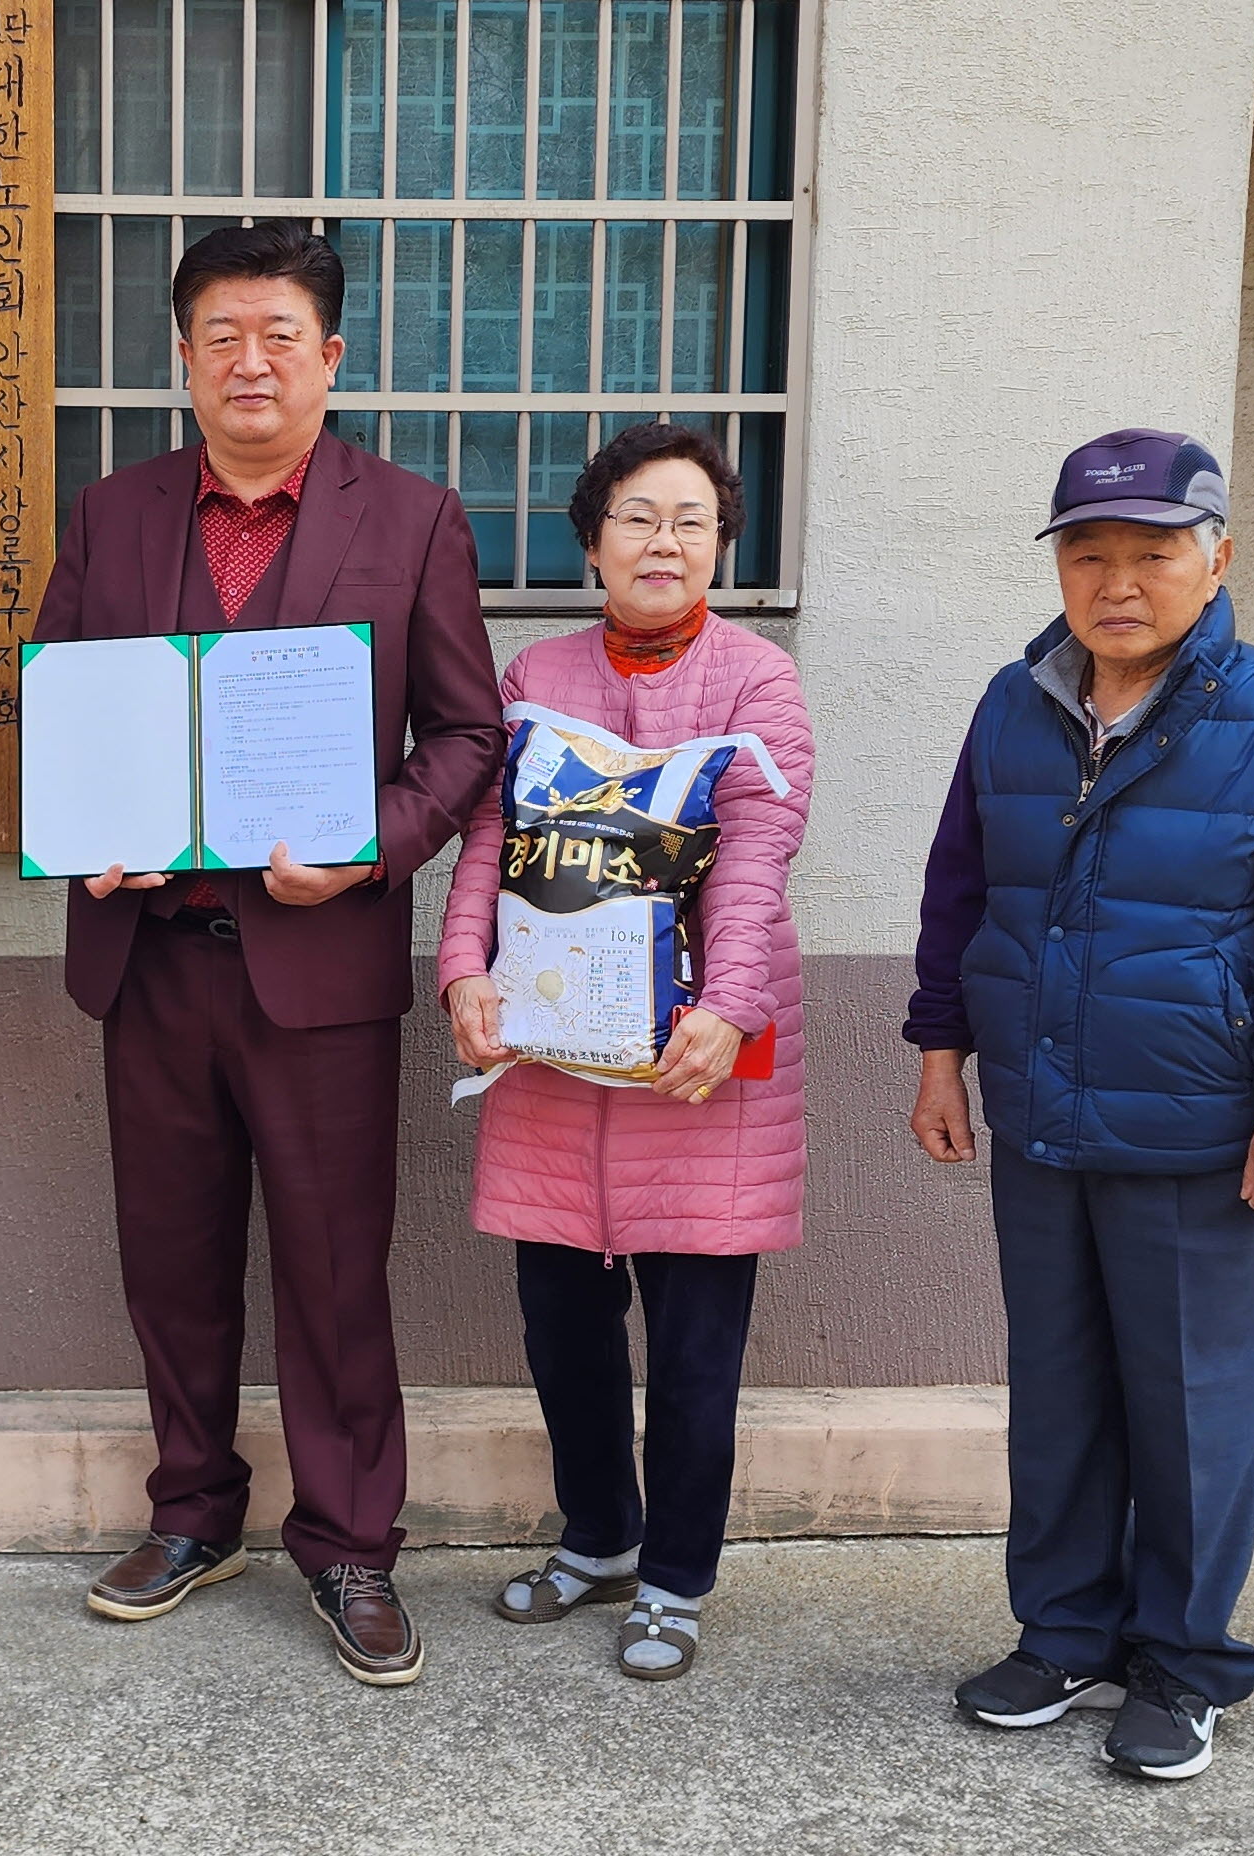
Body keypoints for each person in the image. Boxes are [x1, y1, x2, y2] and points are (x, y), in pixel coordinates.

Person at [33, 224, 504, 1687]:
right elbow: (61, 696)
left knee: (329, 1270)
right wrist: (82, 820)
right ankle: (191, 1515)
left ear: (329, 358)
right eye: (218, 335)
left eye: (277, 336)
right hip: (150, 959)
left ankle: (351, 1541)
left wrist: (372, 843)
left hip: (316, 971)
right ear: (180, 358)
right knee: (167, 1263)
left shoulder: (411, 518)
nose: (248, 361)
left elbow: (467, 733)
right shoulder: (111, 513)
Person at [908, 429, 1254, 1781]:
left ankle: (1179, 1663)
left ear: (1214, 556)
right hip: (1041, 1110)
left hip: (1200, 1125)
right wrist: (940, 1053)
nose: (1116, 580)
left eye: (1151, 551)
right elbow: (960, 893)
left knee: (1188, 1402)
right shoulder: (1014, 704)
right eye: (1087, 552)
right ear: (1059, 565)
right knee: (1056, 1391)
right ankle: (1061, 1632)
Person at [435, 422, 814, 1681]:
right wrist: (461, 970)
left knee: (697, 1345)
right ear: (590, 539)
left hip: (700, 1059)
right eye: (637, 516)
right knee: (563, 1330)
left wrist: (732, 1005)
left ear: (720, 545)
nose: (663, 539)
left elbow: (758, 856)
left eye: (691, 519)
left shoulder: (757, 677)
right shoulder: (532, 671)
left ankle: (674, 1575)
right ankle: (597, 1536)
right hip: (551, 1059)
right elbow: (487, 838)